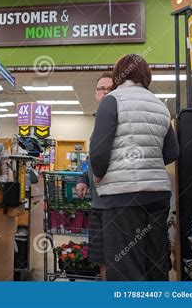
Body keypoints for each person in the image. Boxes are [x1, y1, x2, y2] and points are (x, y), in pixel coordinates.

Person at [89, 54, 179, 281]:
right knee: (156, 262)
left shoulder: (112, 101)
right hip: (158, 196)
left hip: (122, 197)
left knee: (126, 267)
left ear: (118, 75)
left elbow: (99, 150)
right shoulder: (160, 106)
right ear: (146, 76)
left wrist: (99, 175)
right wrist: (149, 164)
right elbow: (173, 151)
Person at [75, 72, 113, 281]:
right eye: (102, 89)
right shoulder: (99, 120)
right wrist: (83, 178)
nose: (105, 92)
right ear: (96, 94)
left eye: (110, 88)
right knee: (101, 257)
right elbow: (94, 158)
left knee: (117, 256)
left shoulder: (119, 118)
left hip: (114, 203)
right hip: (98, 204)